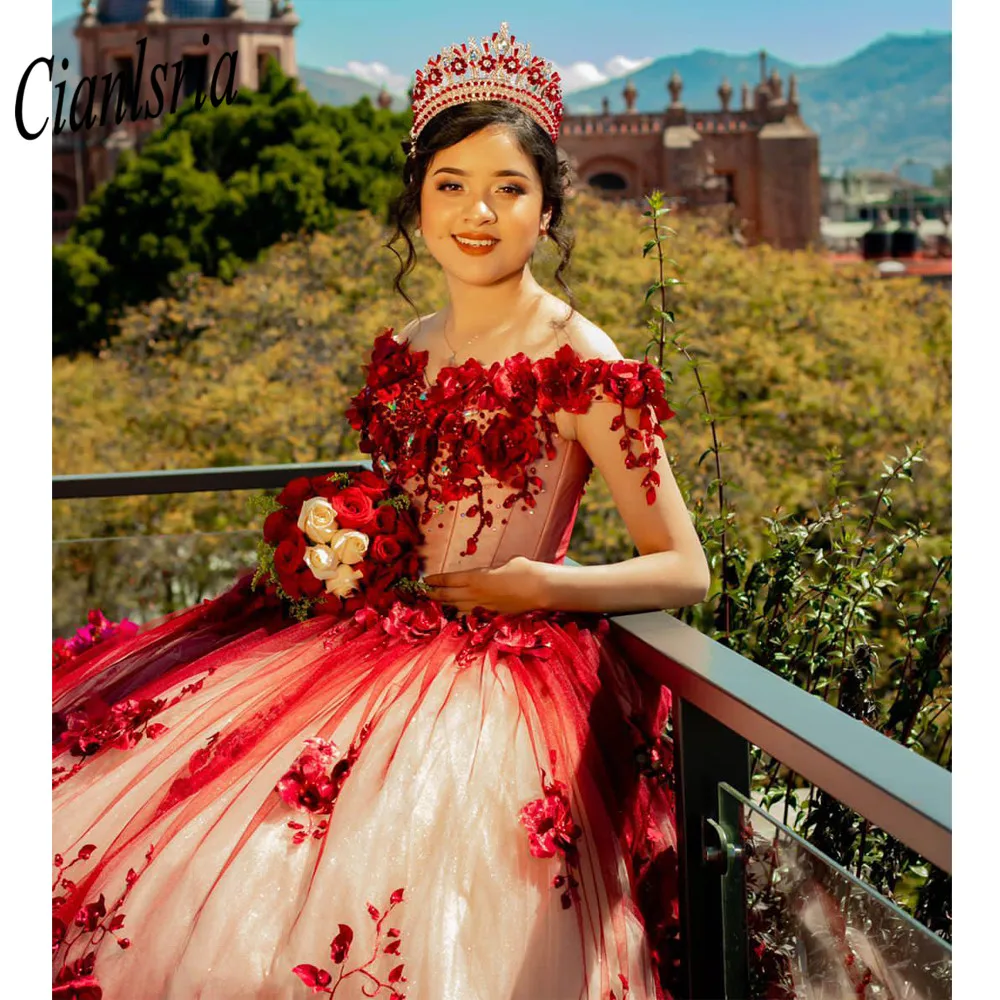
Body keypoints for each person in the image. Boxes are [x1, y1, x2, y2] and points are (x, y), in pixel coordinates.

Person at [52, 23, 710, 1000]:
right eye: (449, 185)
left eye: (506, 188)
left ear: (544, 208)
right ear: (419, 201)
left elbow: (684, 567)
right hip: (373, 644)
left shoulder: (585, 358)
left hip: (506, 684)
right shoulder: (406, 344)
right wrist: (347, 547)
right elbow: (401, 509)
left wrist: (542, 583)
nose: (475, 212)